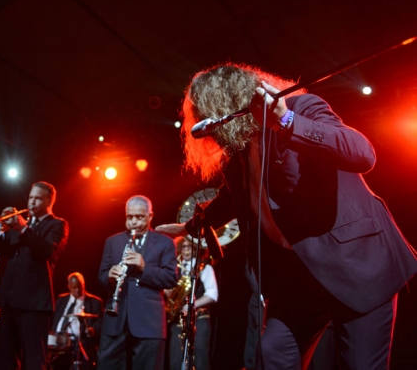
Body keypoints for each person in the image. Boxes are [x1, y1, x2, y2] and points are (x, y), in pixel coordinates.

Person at [155, 63, 417, 370]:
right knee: (274, 354)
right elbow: (235, 197)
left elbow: (362, 153)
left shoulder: (299, 107)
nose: (204, 125)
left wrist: (286, 120)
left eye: (206, 113)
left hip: (357, 260)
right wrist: (191, 226)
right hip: (304, 266)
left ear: (227, 105)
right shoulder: (238, 151)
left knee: (358, 364)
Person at [0, 181, 69, 370]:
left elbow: (45, 251)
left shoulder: (58, 225)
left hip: (34, 305)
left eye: (37, 199)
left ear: (49, 202)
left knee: (34, 361)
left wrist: (23, 228)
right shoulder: (20, 225)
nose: (31, 203)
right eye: (30, 197)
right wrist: (1, 229)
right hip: (10, 302)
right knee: (4, 360)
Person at [97, 195, 178, 370]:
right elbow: (102, 276)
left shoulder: (165, 243)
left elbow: (171, 278)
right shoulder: (113, 242)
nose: (133, 222)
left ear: (150, 216)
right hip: (115, 319)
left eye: (139, 217)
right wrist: (110, 276)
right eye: (129, 217)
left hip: (149, 322)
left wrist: (143, 267)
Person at [165, 236, 218, 370]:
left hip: (199, 318)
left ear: (196, 249)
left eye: (190, 247)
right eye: (183, 247)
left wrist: (191, 305)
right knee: (175, 358)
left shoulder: (204, 267)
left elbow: (212, 294)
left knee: (199, 357)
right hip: (178, 320)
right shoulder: (175, 269)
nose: (186, 250)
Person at [51, 272, 104, 369]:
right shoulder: (61, 300)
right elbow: (53, 320)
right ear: (69, 287)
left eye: (80, 286)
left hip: (79, 343)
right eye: (74, 287)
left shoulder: (94, 302)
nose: (78, 290)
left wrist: (92, 330)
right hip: (58, 341)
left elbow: (100, 324)